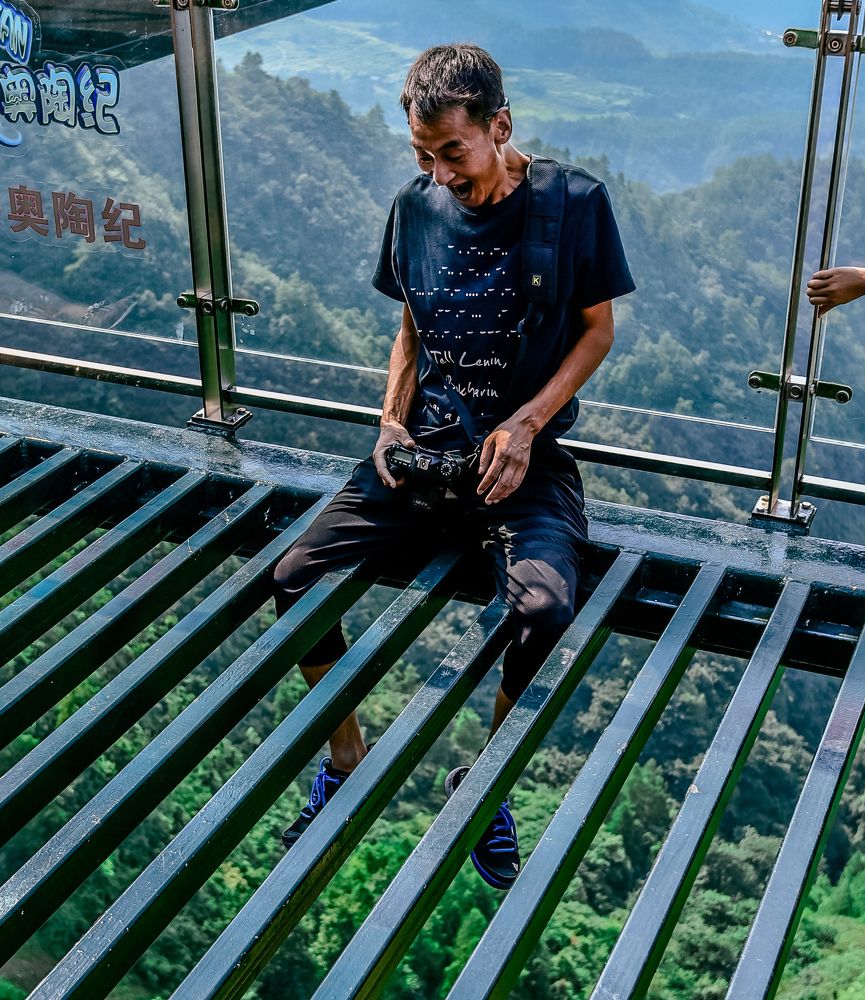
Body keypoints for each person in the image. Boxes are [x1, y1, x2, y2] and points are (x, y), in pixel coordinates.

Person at [273, 43, 635, 890]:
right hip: (423, 450)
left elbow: (597, 331)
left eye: (452, 152)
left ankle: (485, 782)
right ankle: (346, 757)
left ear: (499, 127)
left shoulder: (573, 203)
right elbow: (409, 327)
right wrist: (389, 421)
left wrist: (527, 423)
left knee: (543, 609)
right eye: (422, 155)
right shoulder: (414, 207)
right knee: (294, 577)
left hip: (523, 459)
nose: (439, 174)